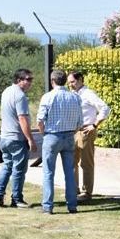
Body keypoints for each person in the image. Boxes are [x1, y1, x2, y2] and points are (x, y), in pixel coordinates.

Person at [37, 70, 83, 215]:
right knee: (69, 172)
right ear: (64, 81)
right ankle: (72, 205)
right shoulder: (75, 97)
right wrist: (72, 132)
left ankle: (47, 206)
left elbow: (40, 120)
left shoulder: (48, 97)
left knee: (48, 172)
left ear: (52, 81)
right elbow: (80, 122)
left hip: (52, 135)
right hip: (69, 135)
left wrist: (44, 133)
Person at [0, 69, 37, 208]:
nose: (30, 82)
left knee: (7, 166)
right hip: (16, 138)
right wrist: (30, 139)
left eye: (31, 79)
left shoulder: (6, 91)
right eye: (28, 79)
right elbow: (22, 119)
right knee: (19, 169)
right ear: (19, 80)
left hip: (4, 138)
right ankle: (17, 199)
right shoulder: (20, 96)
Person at [67, 71, 111, 202]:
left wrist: (95, 125)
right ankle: (73, 190)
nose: (70, 85)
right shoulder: (72, 94)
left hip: (86, 131)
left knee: (86, 163)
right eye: (69, 82)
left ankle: (87, 192)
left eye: (73, 82)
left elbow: (105, 108)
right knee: (71, 162)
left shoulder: (88, 94)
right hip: (73, 131)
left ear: (80, 79)